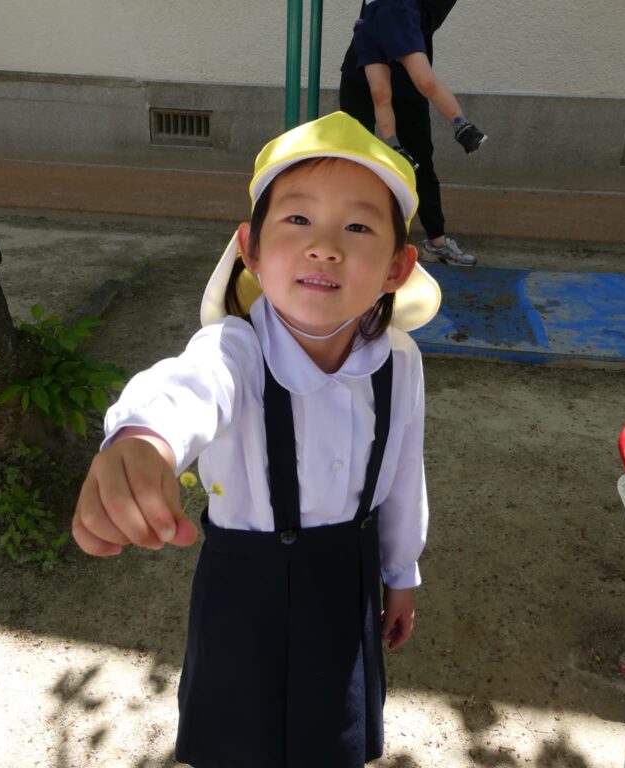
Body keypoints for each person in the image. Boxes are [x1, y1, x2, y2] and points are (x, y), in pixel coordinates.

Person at [71, 111, 439, 767]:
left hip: (347, 579)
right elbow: (187, 386)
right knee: (237, 741)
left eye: (357, 227)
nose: (324, 246)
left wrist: (400, 575)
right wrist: (144, 437)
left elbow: (404, 477)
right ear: (251, 249)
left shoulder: (400, 363)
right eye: (297, 219)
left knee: (334, 734)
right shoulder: (234, 349)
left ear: (396, 267)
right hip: (244, 587)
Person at [341, 0, 479, 267]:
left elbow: (426, 21)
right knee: (353, 157)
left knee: (419, 162)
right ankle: (350, 235)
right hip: (362, 70)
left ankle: (437, 241)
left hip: (408, 77)